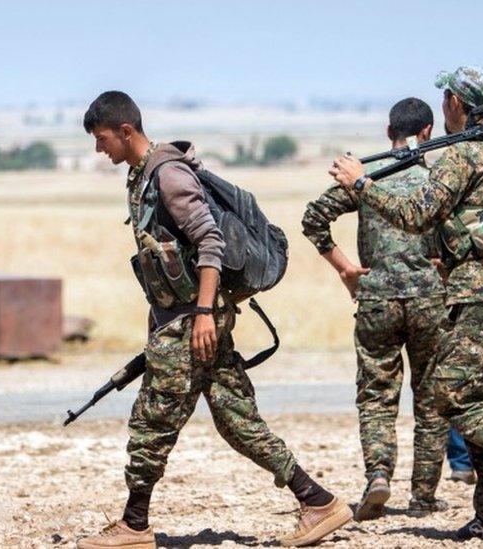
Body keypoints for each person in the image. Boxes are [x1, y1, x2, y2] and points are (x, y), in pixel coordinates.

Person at [75, 92, 351, 548]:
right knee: (237, 417)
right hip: (184, 319)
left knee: (151, 424)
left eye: (102, 139)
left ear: (126, 131)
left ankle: (134, 525)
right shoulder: (142, 176)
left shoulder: (167, 175)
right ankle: (317, 500)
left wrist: (204, 312)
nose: (98, 149)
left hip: (193, 321)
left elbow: (210, 241)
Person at [328, 66, 483, 541]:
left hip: (480, 297)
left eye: (446, 96)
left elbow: (415, 212)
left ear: (456, 103)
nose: (443, 104)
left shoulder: (462, 154)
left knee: (450, 396)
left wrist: (360, 184)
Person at [302, 98, 449, 520]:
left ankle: (378, 476)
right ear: (427, 133)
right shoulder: (437, 180)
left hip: (376, 298)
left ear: (389, 133)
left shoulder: (370, 176)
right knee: (431, 398)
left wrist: (346, 268)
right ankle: (423, 494)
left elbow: (314, 218)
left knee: (376, 396)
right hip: (429, 299)